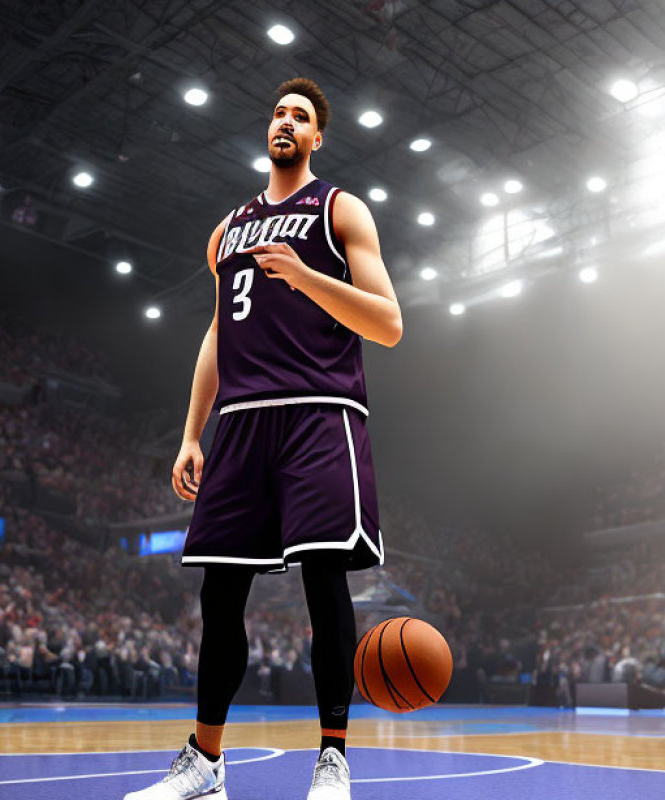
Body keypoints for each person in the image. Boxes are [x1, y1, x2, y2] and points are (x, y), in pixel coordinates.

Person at [124, 77, 402, 800]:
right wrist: (191, 433)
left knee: (323, 582)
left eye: (301, 117)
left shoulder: (340, 209)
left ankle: (333, 759)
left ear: (317, 139)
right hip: (241, 423)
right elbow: (218, 332)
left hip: (319, 412)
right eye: (278, 112)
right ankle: (206, 764)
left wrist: (309, 278)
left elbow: (389, 323)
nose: (285, 122)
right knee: (221, 595)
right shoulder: (227, 232)